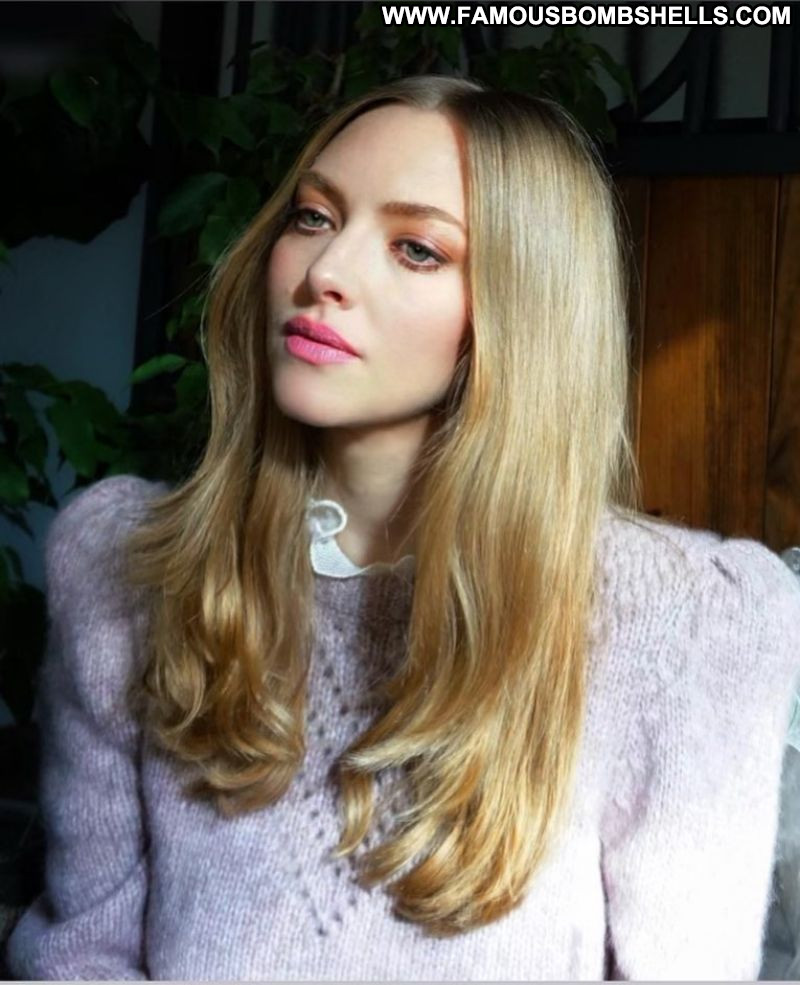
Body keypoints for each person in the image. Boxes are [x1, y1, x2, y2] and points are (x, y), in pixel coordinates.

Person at [5, 73, 800, 981]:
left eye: (417, 249)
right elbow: (80, 953)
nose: (325, 273)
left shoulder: (695, 620)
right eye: (312, 216)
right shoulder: (125, 565)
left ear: (519, 309)